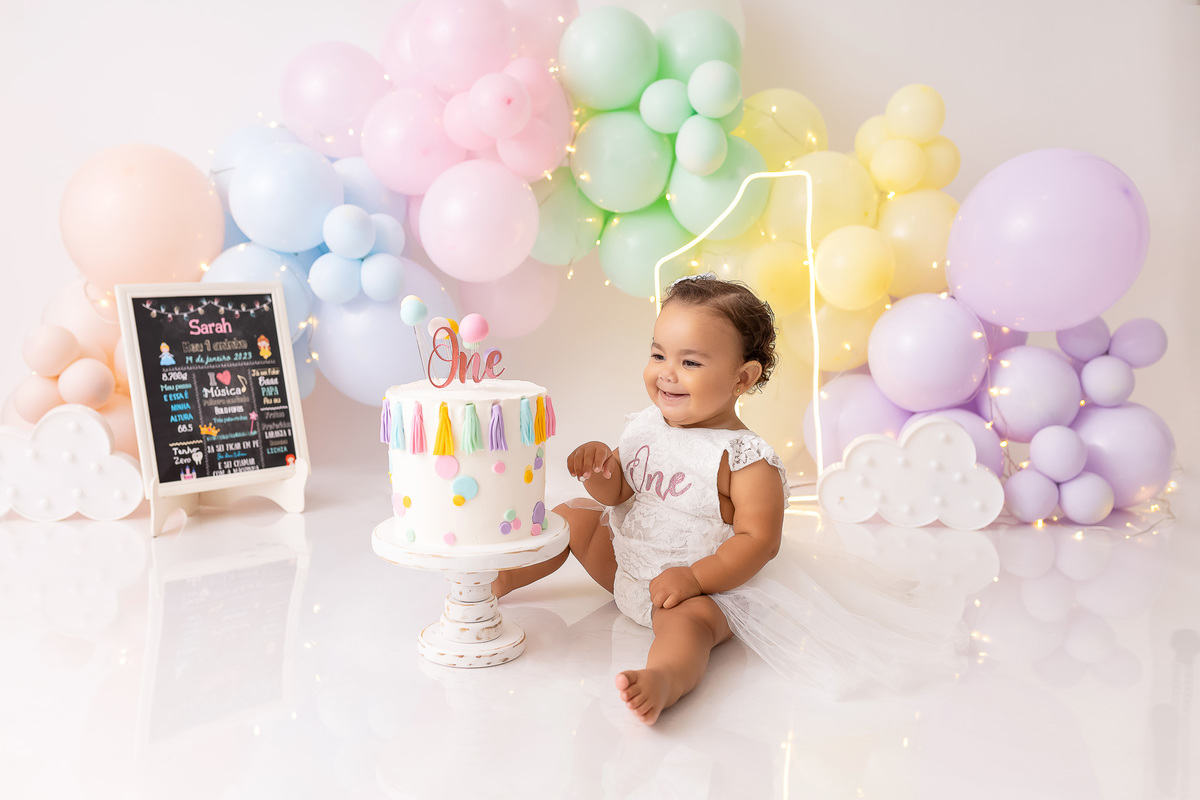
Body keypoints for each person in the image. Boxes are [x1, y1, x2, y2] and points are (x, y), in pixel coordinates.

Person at [495, 275, 964, 725]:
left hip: (700, 587)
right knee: (571, 519)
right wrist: (600, 471)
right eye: (659, 355)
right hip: (627, 564)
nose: (667, 374)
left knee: (689, 626)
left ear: (742, 378)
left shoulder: (744, 458)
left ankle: (664, 678)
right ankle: (497, 582)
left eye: (691, 363)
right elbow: (618, 492)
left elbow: (759, 540)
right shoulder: (645, 425)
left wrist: (696, 578)